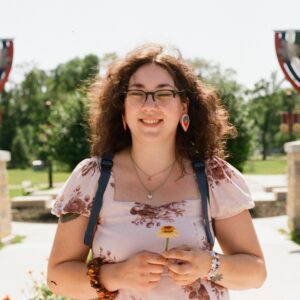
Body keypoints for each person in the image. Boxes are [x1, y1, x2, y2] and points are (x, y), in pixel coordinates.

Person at [47, 43, 266, 300]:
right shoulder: (91, 179)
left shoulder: (214, 177)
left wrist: (208, 265)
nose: (150, 104)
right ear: (123, 108)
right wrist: (115, 275)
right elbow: (56, 278)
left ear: (183, 107)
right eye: (137, 93)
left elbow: (256, 273)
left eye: (164, 93)